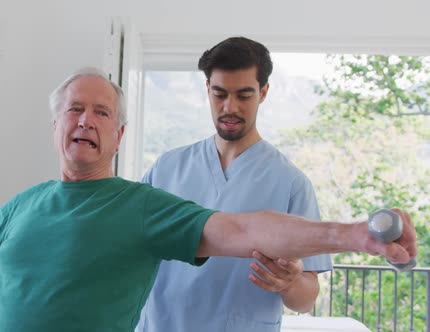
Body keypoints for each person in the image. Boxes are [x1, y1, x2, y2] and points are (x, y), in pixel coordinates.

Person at [0, 68, 418, 332]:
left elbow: (243, 230)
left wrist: (354, 235)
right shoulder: (23, 206)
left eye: (103, 113)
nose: (87, 121)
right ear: (55, 126)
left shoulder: (143, 205)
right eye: (75, 108)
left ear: (118, 136)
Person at [136, 37, 331, 332]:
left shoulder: (291, 184)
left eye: (244, 95)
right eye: (220, 94)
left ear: (263, 93)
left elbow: (306, 300)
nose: (230, 107)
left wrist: (290, 282)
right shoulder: (166, 169)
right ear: (207, 90)